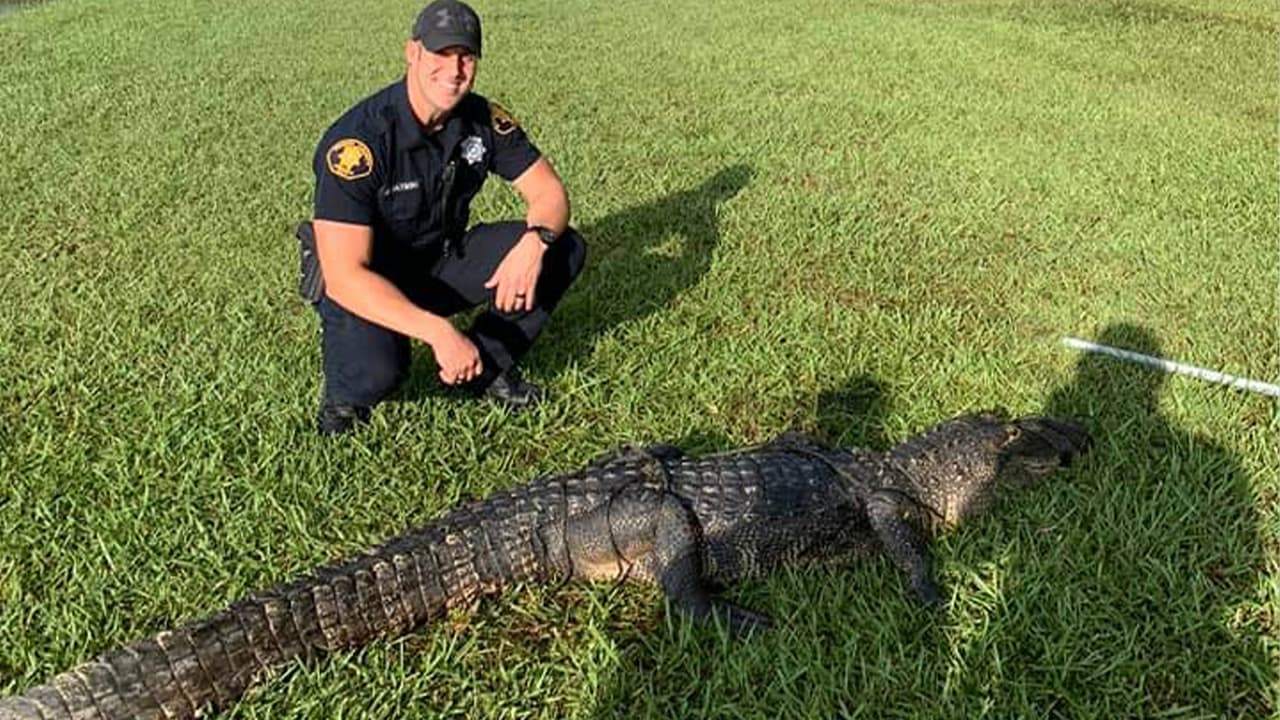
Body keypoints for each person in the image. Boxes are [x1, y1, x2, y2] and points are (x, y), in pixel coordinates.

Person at [299, 0, 586, 435]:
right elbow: (344, 274)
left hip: (437, 258)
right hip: (365, 275)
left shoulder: (483, 120)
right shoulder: (359, 141)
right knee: (381, 372)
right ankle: (344, 398)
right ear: (412, 52)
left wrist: (535, 242)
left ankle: (487, 365)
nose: (454, 70)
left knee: (562, 248)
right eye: (441, 54)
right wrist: (438, 332)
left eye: (466, 56)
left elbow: (549, 193)